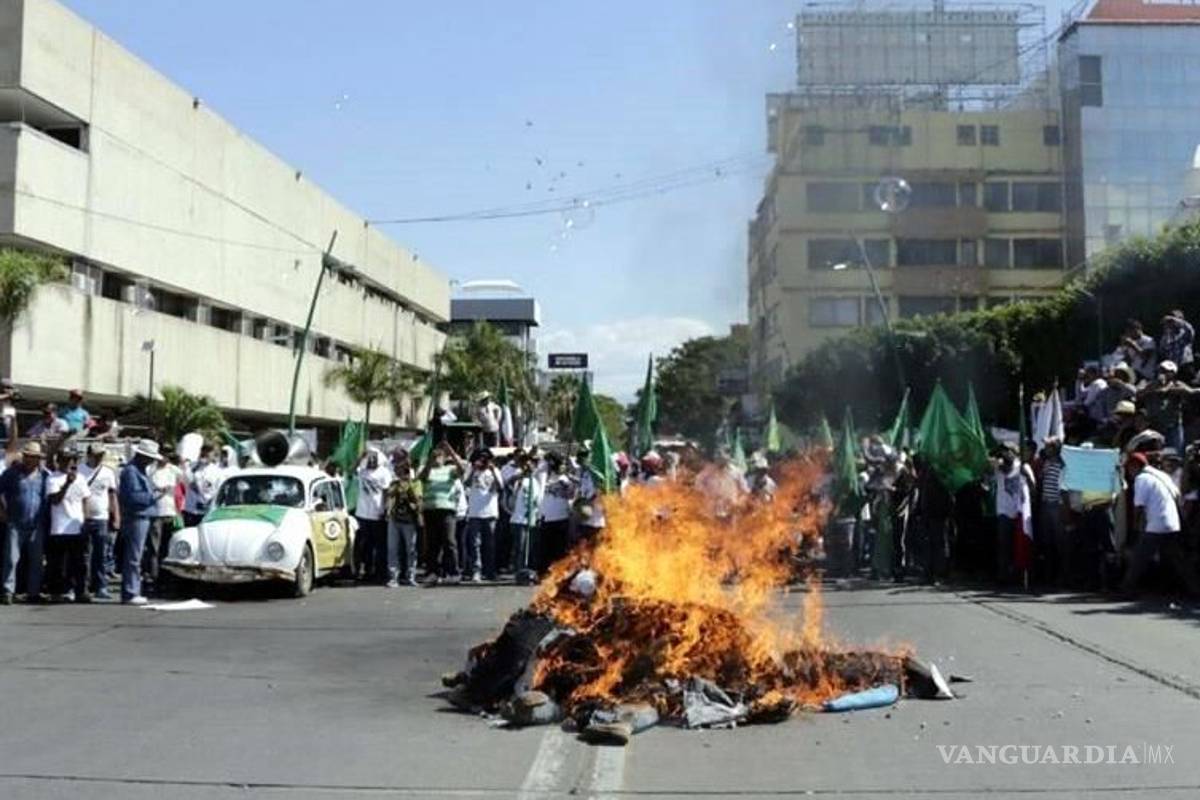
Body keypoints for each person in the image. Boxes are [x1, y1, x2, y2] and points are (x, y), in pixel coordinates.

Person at [1122, 452, 1198, 597]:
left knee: (1139, 558)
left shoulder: (1142, 479)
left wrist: (1134, 528)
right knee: (1179, 560)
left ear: (1134, 467)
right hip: (1172, 523)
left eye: (1129, 469)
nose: (1129, 473)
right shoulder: (1161, 475)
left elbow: (1139, 506)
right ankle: (1195, 589)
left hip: (1156, 525)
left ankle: (1126, 589)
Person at [0, 442, 51, 604]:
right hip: (15, 521)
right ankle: (8, 591)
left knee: (36, 560)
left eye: (34, 457)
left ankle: (33, 592)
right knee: (11, 559)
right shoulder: (11, 473)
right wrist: (1, 511)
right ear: (24, 457)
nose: (31, 460)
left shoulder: (45, 475)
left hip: (37, 524)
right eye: (28, 456)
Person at [118, 439, 164, 605]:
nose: (152, 461)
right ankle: (130, 592)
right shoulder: (131, 472)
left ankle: (132, 589)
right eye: (150, 457)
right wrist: (156, 495)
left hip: (142, 516)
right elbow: (134, 497)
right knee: (133, 556)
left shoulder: (139, 471)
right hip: (136, 516)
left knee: (136, 555)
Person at [45, 452, 90, 602]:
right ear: (59, 461)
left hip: (77, 524)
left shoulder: (81, 478)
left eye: (69, 460)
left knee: (78, 562)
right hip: (60, 526)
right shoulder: (53, 478)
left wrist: (86, 519)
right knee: (58, 563)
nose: (67, 463)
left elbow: (84, 500)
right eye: (63, 460)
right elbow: (55, 500)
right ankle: (57, 592)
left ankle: (80, 591)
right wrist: (67, 484)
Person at [78, 444, 120, 600]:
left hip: (101, 517)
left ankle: (101, 586)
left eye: (101, 455)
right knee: (84, 554)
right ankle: (84, 586)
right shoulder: (80, 470)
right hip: (83, 517)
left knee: (101, 554)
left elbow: (112, 495)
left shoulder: (108, 472)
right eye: (96, 455)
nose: (98, 458)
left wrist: (116, 516)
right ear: (88, 455)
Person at [419, 442, 464, 584]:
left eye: (440, 456)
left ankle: (453, 572)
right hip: (430, 510)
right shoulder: (426, 469)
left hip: (447, 510)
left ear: (444, 458)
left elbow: (462, 470)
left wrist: (450, 451)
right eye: (435, 456)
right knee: (432, 544)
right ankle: (433, 572)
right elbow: (422, 477)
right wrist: (429, 462)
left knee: (449, 542)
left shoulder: (449, 469)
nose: (437, 459)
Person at [994, 445, 1035, 585]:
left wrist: (1027, 475)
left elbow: (1034, 487)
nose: (1005, 453)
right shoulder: (998, 467)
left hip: (1020, 512)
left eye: (1008, 450)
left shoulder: (1023, 466)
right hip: (1004, 511)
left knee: (1019, 545)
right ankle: (1003, 575)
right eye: (1003, 451)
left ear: (1015, 453)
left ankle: (1018, 575)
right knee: (1003, 545)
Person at [146, 449, 183, 594]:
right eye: (162, 455)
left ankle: (168, 578)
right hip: (156, 512)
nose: (164, 458)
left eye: (167, 456)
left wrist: (182, 464)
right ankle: (154, 578)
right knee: (154, 548)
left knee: (168, 548)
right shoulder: (150, 469)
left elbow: (188, 479)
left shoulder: (173, 470)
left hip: (170, 511)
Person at [463, 448, 503, 582]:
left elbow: (500, 487)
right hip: (475, 512)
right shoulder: (472, 470)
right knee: (475, 544)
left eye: (486, 459)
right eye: (481, 458)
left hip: (490, 512)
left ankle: (490, 571)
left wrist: (492, 470)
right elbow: (466, 484)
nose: (483, 461)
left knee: (490, 544)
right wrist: (474, 470)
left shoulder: (495, 471)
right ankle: (476, 571)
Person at [383, 449, 422, 587]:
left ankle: (410, 576)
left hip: (409, 520)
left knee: (410, 549)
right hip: (394, 519)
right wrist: (397, 487)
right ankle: (393, 577)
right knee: (393, 549)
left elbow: (418, 501)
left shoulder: (415, 483)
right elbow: (389, 496)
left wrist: (408, 486)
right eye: (399, 470)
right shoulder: (394, 484)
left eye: (404, 470)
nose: (401, 473)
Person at [354, 448, 392, 583]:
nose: (371, 460)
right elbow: (352, 468)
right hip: (363, 515)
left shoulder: (384, 473)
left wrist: (386, 509)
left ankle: (380, 572)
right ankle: (367, 571)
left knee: (380, 546)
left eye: (374, 457)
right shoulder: (362, 472)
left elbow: (387, 492)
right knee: (366, 546)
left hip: (378, 514)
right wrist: (361, 456)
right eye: (369, 457)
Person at [507, 451, 544, 584]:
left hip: (531, 519)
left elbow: (538, 501)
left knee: (530, 547)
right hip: (518, 519)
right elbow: (510, 492)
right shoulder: (519, 480)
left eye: (530, 464)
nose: (528, 466)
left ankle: (529, 571)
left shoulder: (535, 482)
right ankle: (519, 572)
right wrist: (520, 478)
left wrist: (537, 515)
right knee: (520, 547)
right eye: (525, 463)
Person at [1037, 438, 1070, 587]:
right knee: (1047, 541)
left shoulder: (1062, 465)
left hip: (1057, 506)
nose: (1046, 449)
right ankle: (1048, 575)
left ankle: (1063, 576)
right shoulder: (1047, 462)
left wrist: (1064, 509)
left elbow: (1063, 489)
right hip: (1046, 504)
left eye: (1049, 446)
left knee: (1060, 542)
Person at [539, 453, 576, 571]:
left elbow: (571, 495)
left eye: (564, 465)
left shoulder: (566, 480)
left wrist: (567, 484)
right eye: (562, 464)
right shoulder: (544, 477)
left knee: (560, 549)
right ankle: (545, 571)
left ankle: (560, 571)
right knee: (545, 548)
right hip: (546, 517)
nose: (564, 467)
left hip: (561, 518)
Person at [182, 445, 221, 528]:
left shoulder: (217, 472)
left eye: (209, 452)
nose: (205, 453)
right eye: (203, 451)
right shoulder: (192, 467)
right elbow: (185, 480)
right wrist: (195, 467)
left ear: (213, 455)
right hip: (190, 511)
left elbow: (218, 492)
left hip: (207, 512)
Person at [1158, 311, 1195, 380]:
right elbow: (1162, 351)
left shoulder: (1185, 333)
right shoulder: (1166, 336)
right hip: (1172, 368)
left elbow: (1189, 329)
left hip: (1185, 366)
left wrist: (1174, 319)